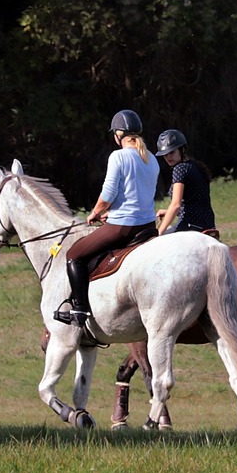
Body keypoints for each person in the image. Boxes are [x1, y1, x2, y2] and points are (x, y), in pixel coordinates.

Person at [54, 109, 159, 328]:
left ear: (119, 134)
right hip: (148, 226)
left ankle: (79, 310)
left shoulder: (118, 156)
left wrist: (95, 213)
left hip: (124, 228)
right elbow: (139, 195)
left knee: (74, 255)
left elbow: (108, 195)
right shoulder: (152, 159)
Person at [154, 129, 216, 236]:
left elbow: (176, 205)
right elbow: (194, 204)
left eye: (171, 152)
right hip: (209, 226)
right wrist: (167, 212)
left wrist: (158, 233)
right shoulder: (196, 167)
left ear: (182, 149)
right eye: (165, 155)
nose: (168, 157)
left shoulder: (180, 169)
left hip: (189, 226)